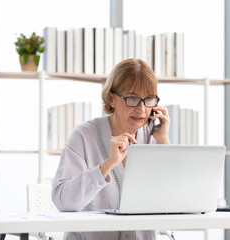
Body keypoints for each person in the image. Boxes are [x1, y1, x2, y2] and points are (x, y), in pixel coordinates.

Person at [51, 58, 170, 240]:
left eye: (148, 100)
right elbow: (63, 201)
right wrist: (107, 165)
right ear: (111, 98)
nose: (142, 109)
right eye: (132, 98)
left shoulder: (155, 137)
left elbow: (172, 204)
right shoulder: (84, 135)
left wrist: (163, 143)